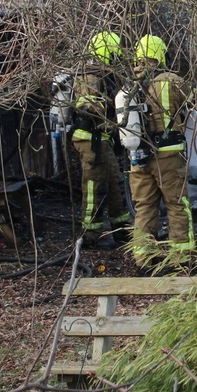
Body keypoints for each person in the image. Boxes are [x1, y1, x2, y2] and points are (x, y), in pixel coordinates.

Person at [124, 34, 195, 269]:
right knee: (176, 204)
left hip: (138, 158)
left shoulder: (127, 84)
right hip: (167, 155)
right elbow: (192, 101)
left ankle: (144, 260)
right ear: (161, 54)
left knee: (144, 206)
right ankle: (181, 259)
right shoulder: (170, 80)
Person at [71, 31, 130, 247]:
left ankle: (121, 230)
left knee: (115, 182)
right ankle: (89, 234)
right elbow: (86, 108)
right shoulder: (90, 76)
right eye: (115, 53)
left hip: (102, 139)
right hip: (90, 140)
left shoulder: (105, 75)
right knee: (93, 186)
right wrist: (111, 112)